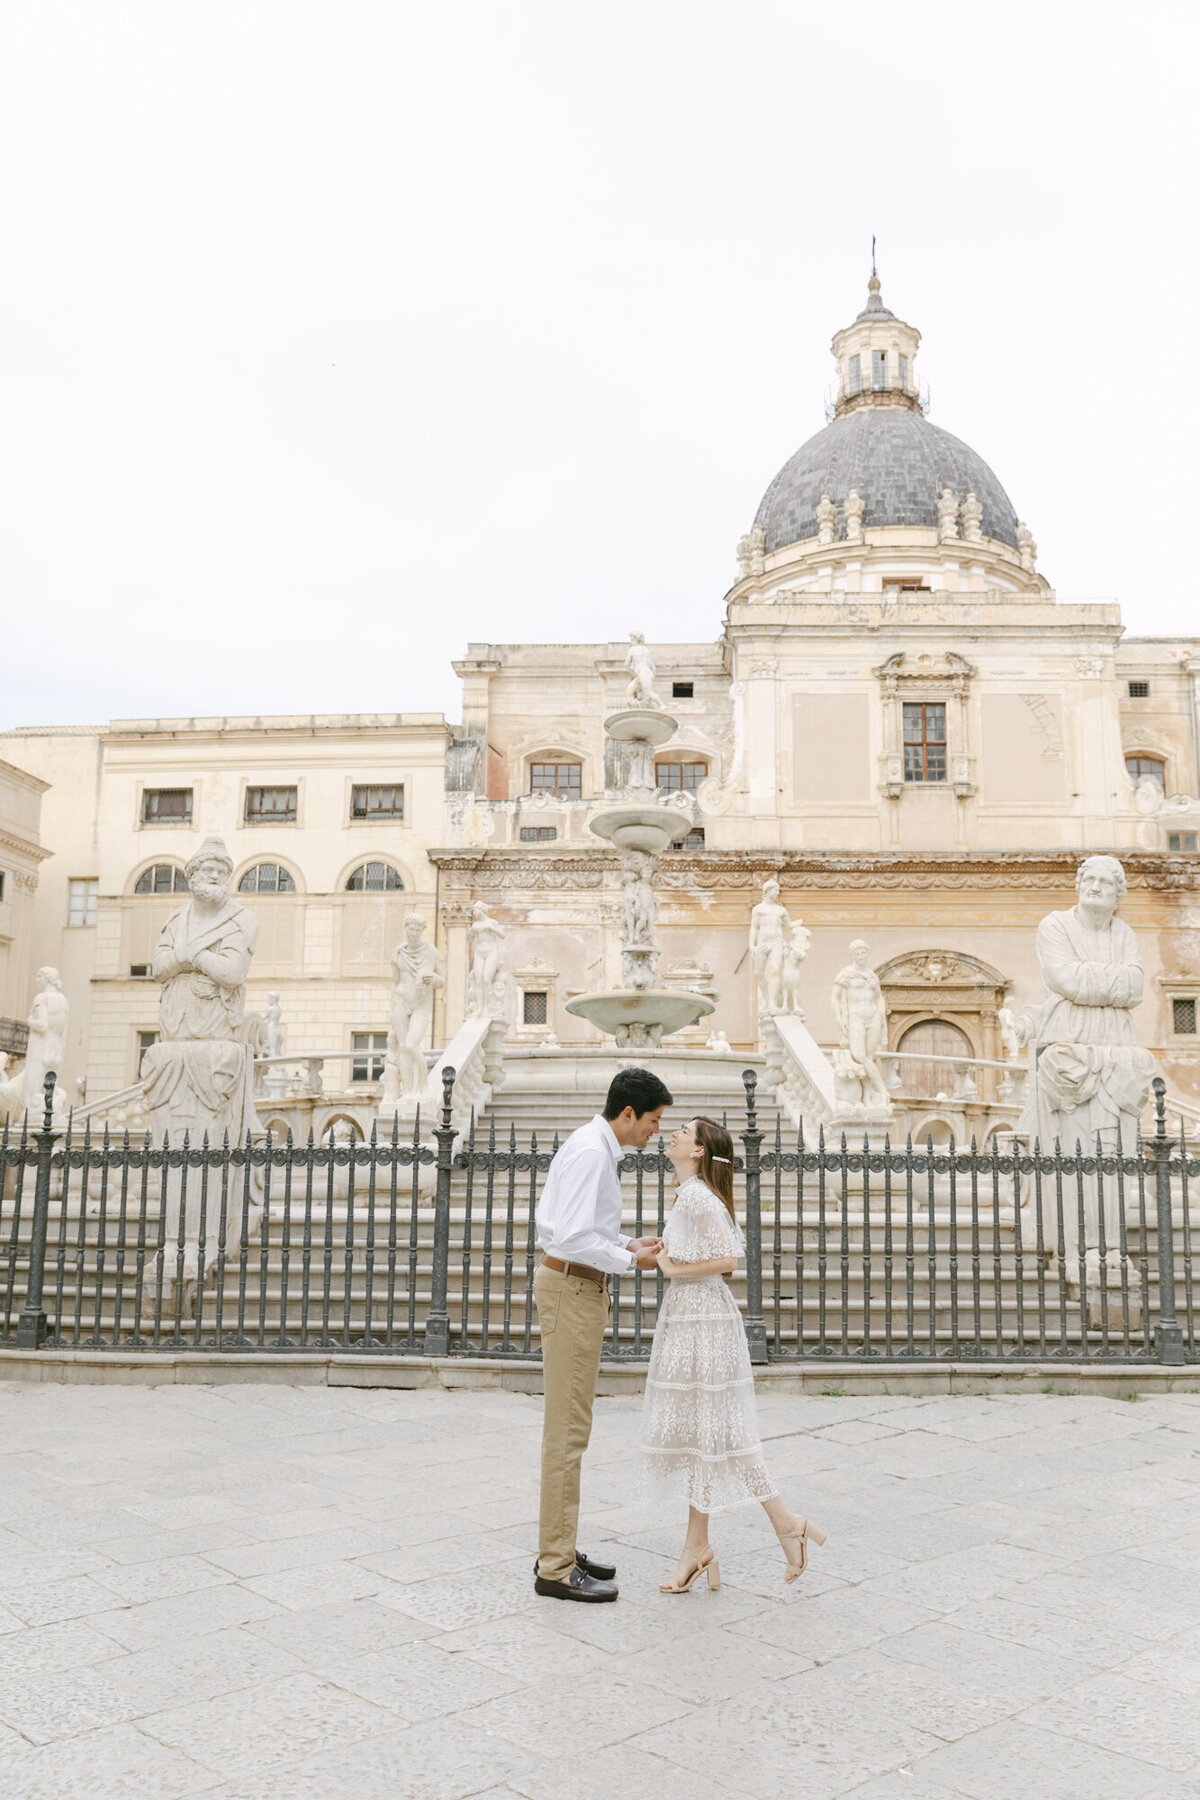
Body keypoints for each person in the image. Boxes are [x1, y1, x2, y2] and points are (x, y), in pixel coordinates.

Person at [641, 1115, 826, 1591]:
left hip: (703, 1318)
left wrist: (672, 1268)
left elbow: (727, 1260)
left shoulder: (700, 1195)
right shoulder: (688, 1194)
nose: (674, 1135)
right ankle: (697, 1548)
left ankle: (786, 1523)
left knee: (721, 1429)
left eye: (684, 1131)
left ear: (699, 1150)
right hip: (691, 1317)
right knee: (703, 1433)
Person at [532, 1066, 673, 1602]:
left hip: (573, 1284)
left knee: (571, 1426)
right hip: (572, 1289)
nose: (656, 1132)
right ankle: (556, 1567)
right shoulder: (594, 1152)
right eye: (653, 1121)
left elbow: (576, 1227)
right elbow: (569, 1236)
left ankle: (560, 1544)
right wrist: (626, 1260)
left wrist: (625, 1242)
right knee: (567, 1432)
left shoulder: (593, 1144)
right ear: (629, 1113)